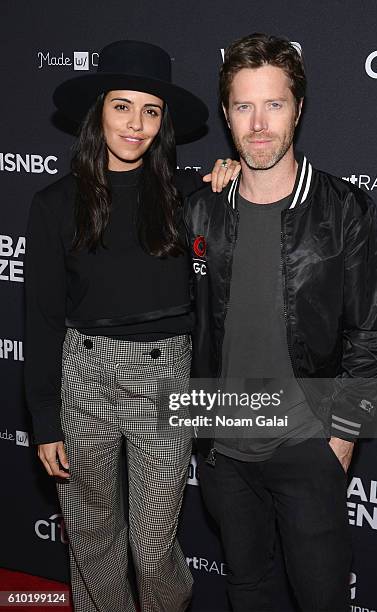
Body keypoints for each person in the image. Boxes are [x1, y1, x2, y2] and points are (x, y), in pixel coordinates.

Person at [24, 40, 238, 612]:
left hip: (163, 375)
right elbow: (42, 318)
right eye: (122, 106)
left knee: (153, 542)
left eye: (151, 110)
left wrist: (233, 175)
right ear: (99, 111)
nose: (136, 124)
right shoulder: (53, 203)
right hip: (84, 368)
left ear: (163, 122)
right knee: (93, 539)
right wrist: (46, 423)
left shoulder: (190, 193)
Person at [184, 34, 377, 611]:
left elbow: (372, 334)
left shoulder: (344, 208)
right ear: (226, 114)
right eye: (244, 106)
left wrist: (340, 441)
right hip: (225, 452)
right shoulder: (201, 207)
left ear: (298, 109)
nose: (258, 124)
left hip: (309, 445)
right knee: (246, 590)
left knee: (321, 597)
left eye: (273, 104)